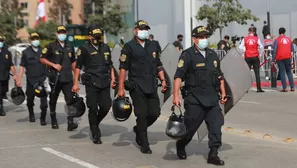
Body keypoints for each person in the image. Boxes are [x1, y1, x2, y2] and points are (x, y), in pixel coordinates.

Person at [173, 26, 227, 166]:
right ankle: (181, 144)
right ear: (194, 39)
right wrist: (175, 95)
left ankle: (213, 153)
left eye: (206, 37)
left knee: (216, 125)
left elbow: (219, 76)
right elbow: (178, 76)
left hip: (212, 98)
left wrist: (223, 92)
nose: (204, 40)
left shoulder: (212, 55)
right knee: (190, 128)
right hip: (194, 99)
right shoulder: (187, 55)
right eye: (201, 37)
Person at [117, 20, 167, 154]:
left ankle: (139, 129)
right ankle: (144, 143)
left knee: (155, 113)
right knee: (142, 114)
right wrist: (120, 87)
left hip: (151, 84)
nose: (144, 31)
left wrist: (163, 79)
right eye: (141, 29)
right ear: (135, 30)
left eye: (146, 29)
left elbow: (158, 64)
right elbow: (123, 68)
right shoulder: (129, 47)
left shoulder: (153, 45)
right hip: (136, 86)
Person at [72, 25, 116, 144]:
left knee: (106, 106)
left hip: (104, 81)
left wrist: (113, 78)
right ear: (90, 37)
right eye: (95, 36)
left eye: (99, 36)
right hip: (91, 82)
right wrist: (75, 83)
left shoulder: (105, 47)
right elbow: (78, 66)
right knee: (92, 107)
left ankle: (95, 122)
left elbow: (110, 65)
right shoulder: (84, 48)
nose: (97, 38)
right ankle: (95, 132)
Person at [40, 25, 78, 131]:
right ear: (56, 34)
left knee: (70, 100)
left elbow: (73, 61)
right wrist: (53, 65)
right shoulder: (51, 46)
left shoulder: (70, 46)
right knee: (53, 100)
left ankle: (70, 122)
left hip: (67, 78)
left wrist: (76, 77)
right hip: (55, 78)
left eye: (63, 32)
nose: (62, 34)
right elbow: (42, 59)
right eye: (60, 32)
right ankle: (53, 120)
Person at [17, 32, 48, 125]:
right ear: (30, 40)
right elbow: (22, 67)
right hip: (31, 80)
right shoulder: (26, 52)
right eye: (33, 39)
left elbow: (47, 64)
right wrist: (19, 79)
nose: (35, 40)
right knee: (30, 99)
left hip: (42, 80)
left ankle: (43, 118)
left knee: (44, 102)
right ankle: (31, 113)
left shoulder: (43, 51)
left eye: (37, 38)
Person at [239, 27, 265, 92]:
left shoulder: (245, 38)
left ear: (249, 31)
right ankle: (259, 88)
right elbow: (261, 47)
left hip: (247, 57)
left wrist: (242, 54)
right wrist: (260, 55)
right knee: (257, 73)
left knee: (247, 73)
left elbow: (240, 47)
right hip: (255, 56)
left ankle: (246, 89)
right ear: (254, 32)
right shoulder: (257, 39)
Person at [272, 27, 295, 92]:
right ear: (284, 32)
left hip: (280, 58)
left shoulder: (277, 40)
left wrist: (273, 60)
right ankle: (292, 87)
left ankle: (284, 87)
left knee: (282, 72)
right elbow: (292, 49)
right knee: (289, 72)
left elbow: (275, 50)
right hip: (288, 57)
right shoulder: (289, 39)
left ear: (279, 32)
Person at [0, 35, 17, 116]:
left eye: (1, 41)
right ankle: (1, 108)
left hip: (5, 76)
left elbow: (11, 64)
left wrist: (15, 75)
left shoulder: (7, 52)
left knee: (4, 92)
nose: (0, 42)